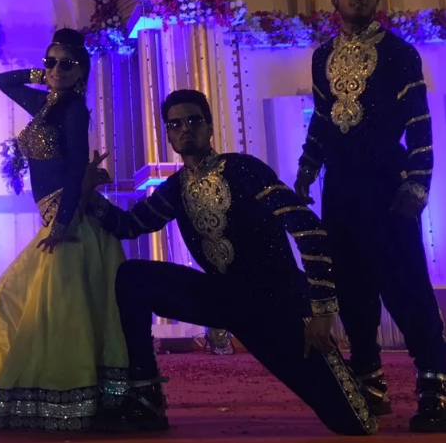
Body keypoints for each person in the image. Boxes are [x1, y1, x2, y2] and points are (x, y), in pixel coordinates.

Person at [83, 89, 377, 436]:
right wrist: (88, 193)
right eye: (175, 124)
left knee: (354, 422)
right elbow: (129, 225)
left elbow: (310, 230)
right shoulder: (175, 189)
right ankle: (146, 399)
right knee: (133, 277)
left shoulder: (244, 170)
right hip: (224, 299)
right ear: (169, 135)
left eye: (194, 120)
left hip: (279, 304)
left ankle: (368, 381)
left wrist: (323, 312)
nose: (185, 128)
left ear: (209, 127)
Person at [295, 0, 446, 432]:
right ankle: (369, 389)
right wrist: (305, 171)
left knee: (406, 287)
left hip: (387, 186)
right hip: (340, 188)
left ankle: (435, 388)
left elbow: (419, 122)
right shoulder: (322, 57)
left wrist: (417, 183)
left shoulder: (400, 54)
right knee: (352, 288)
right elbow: (322, 120)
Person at [0, 28, 129, 431]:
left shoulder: (73, 110)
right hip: (54, 218)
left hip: (66, 223)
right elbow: (4, 81)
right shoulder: (46, 104)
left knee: (39, 308)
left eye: (66, 64)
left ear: (82, 70)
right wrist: (45, 75)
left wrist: (64, 221)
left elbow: (74, 168)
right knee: (32, 306)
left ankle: (62, 397)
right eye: (50, 62)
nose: (55, 69)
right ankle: (44, 396)